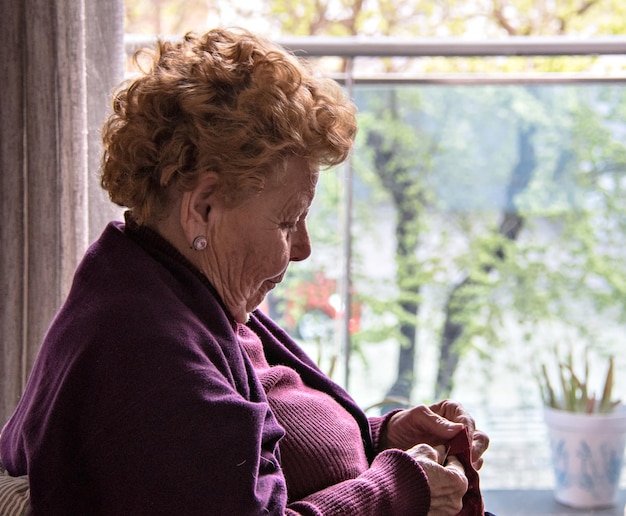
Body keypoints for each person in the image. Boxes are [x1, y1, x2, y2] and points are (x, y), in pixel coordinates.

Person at [0, 28, 489, 515]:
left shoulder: (178, 290)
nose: (302, 249)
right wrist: (398, 486)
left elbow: (255, 446)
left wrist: (384, 434)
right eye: (286, 221)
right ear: (204, 208)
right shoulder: (145, 355)